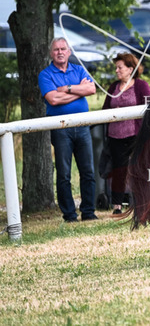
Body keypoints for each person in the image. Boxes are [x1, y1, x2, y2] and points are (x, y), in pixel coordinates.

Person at [38, 37, 98, 222]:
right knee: (64, 174)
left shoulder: (78, 69)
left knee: (88, 171)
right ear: (51, 53)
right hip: (60, 128)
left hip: (82, 126)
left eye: (63, 49)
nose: (60, 52)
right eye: (56, 49)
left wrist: (67, 88)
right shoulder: (45, 75)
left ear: (69, 51)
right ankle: (70, 215)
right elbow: (53, 99)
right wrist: (79, 91)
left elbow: (91, 89)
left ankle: (88, 212)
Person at [102, 53, 150, 214]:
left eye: (120, 67)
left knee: (139, 168)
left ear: (130, 69)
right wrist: (114, 112)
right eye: (116, 67)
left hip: (136, 134)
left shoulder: (141, 85)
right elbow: (105, 109)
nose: (117, 70)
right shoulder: (113, 87)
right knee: (119, 170)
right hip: (115, 136)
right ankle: (117, 206)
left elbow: (149, 108)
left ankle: (142, 203)